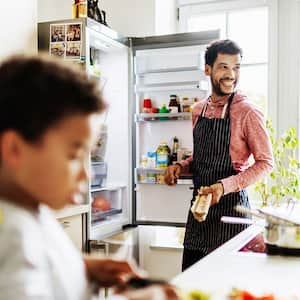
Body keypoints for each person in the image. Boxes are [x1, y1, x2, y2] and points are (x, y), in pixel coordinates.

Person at [0, 55, 178, 300]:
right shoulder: (9, 235)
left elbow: (38, 266)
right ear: (14, 149)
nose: (87, 173)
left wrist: (82, 267)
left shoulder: (30, 208)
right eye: (74, 155)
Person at [164, 39, 273, 271]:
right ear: (207, 69)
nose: (231, 74)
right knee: (190, 287)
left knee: (229, 290)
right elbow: (200, 158)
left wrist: (224, 186)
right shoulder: (198, 110)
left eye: (236, 67)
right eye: (224, 67)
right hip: (199, 215)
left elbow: (265, 163)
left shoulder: (248, 112)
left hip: (232, 218)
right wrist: (181, 167)